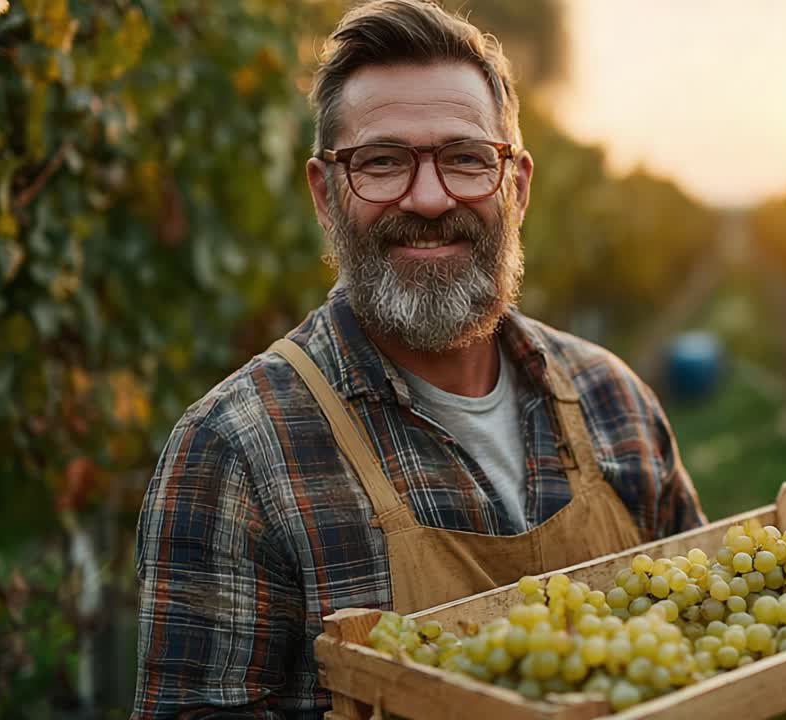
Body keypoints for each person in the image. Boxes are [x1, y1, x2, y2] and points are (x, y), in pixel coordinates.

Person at [131, 1, 705, 716]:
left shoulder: (614, 401)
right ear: (325, 193)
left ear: (517, 187)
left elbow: (705, 652)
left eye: (466, 159)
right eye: (382, 162)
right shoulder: (234, 454)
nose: (429, 198)